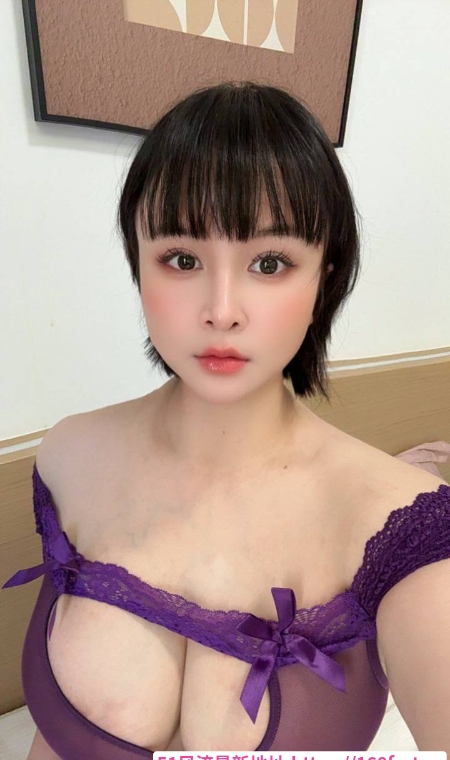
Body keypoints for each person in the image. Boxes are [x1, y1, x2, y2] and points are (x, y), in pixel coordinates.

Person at [3, 81, 449, 758]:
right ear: (138, 264)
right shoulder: (68, 455)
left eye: (269, 263)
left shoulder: (402, 528)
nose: (221, 310)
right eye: (181, 259)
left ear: (324, 278)